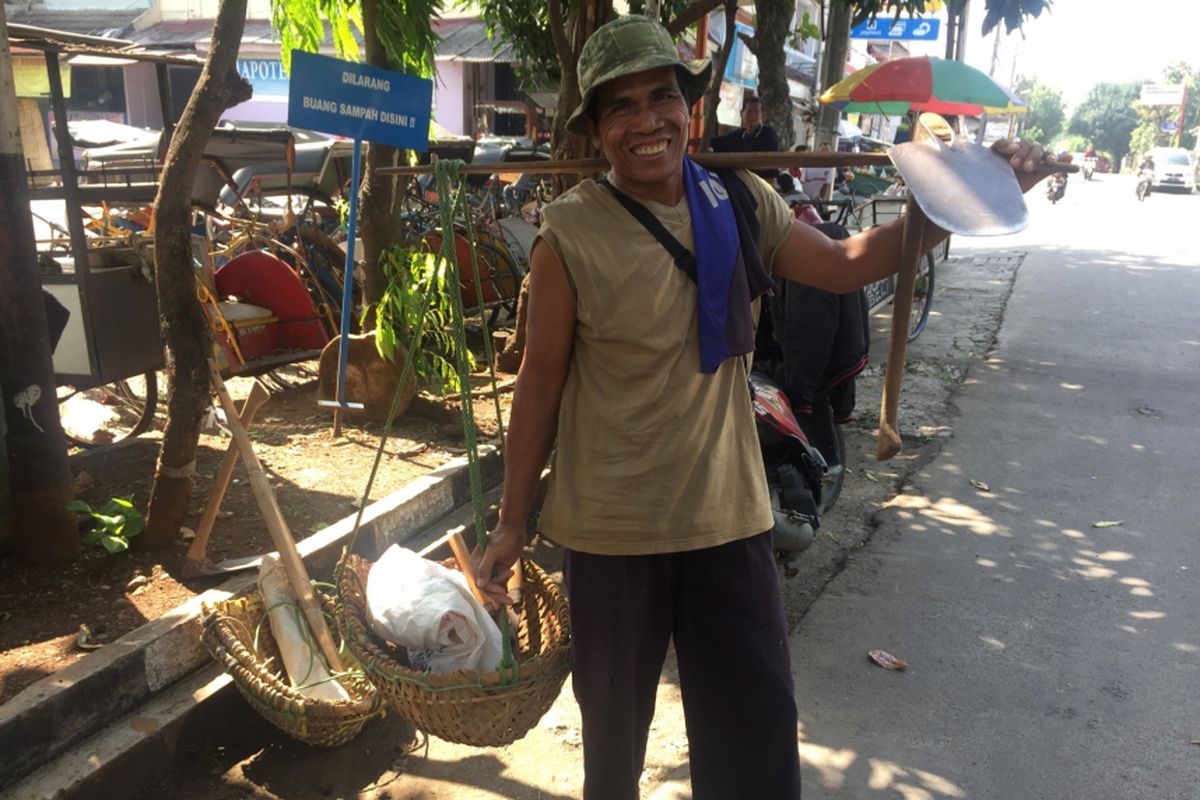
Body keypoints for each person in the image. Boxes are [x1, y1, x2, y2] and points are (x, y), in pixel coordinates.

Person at [473, 14, 1060, 799]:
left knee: (754, 736)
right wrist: (513, 520)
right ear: (597, 129)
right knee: (612, 746)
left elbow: (847, 267)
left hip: (727, 519)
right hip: (611, 532)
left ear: (692, 106)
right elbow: (538, 383)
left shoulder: (741, 202)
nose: (647, 120)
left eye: (661, 97)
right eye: (621, 107)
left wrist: (967, 195)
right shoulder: (570, 233)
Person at [710, 93, 781, 182]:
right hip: (744, 182)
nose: (752, 116)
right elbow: (716, 143)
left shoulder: (768, 133)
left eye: (756, 112)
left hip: (765, 183)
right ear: (741, 114)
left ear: (762, 115)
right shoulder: (739, 135)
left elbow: (771, 162)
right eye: (749, 112)